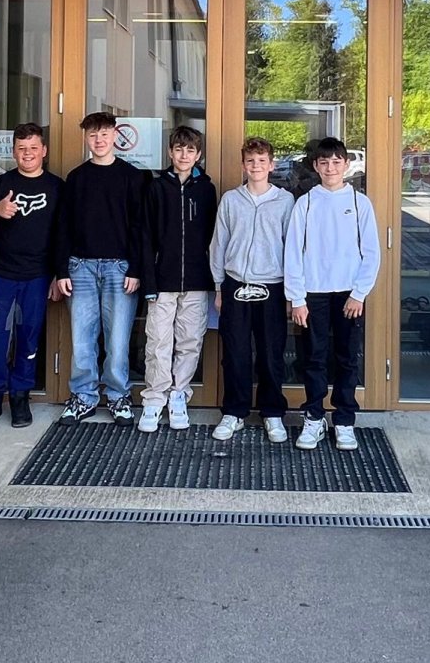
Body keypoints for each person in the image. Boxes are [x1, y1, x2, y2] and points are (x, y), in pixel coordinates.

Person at [283, 137, 381, 452]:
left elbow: (372, 252)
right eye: (324, 162)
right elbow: (293, 253)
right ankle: (314, 417)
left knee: (346, 358)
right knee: (313, 358)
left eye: (336, 162)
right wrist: (297, 298)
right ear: (316, 166)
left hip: (348, 295)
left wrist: (359, 293)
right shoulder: (305, 203)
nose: (330, 168)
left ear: (346, 165)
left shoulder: (360, 203)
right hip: (314, 293)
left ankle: (344, 420)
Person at [56, 112, 148, 424]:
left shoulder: (132, 177)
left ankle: (118, 396)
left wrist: (136, 269)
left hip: (120, 268)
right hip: (80, 266)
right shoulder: (76, 178)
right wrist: (62, 270)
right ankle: (83, 397)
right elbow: (64, 227)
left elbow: (139, 227)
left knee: (118, 340)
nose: (99, 140)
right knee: (82, 339)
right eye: (93, 135)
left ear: (115, 136)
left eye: (104, 134)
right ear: (86, 138)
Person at [0, 123, 64, 429]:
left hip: (37, 277)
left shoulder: (57, 187)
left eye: (33, 148)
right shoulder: (1, 184)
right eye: (22, 148)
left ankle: (20, 398)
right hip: (0, 275)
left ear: (44, 151)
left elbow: (63, 235)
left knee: (28, 338)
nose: (28, 154)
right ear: (13, 152)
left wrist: (58, 273)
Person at [209, 137, 294, 443]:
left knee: (271, 353)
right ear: (243, 165)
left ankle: (272, 413)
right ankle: (235, 412)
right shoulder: (231, 200)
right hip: (235, 283)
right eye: (250, 161)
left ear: (272, 165)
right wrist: (219, 286)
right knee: (235, 353)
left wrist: (291, 293)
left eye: (261, 161)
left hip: (273, 285)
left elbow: (292, 248)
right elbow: (218, 244)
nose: (256, 166)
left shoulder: (286, 201)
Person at [138, 126, 218, 432]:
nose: (184, 155)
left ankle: (178, 395)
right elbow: (145, 236)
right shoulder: (156, 187)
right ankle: (154, 399)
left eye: (190, 150)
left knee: (189, 341)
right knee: (158, 341)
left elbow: (213, 237)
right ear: (170, 152)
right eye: (179, 149)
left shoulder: (206, 190)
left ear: (198, 155)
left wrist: (214, 279)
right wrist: (149, 281)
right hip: (163, 280)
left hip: (197, 281)